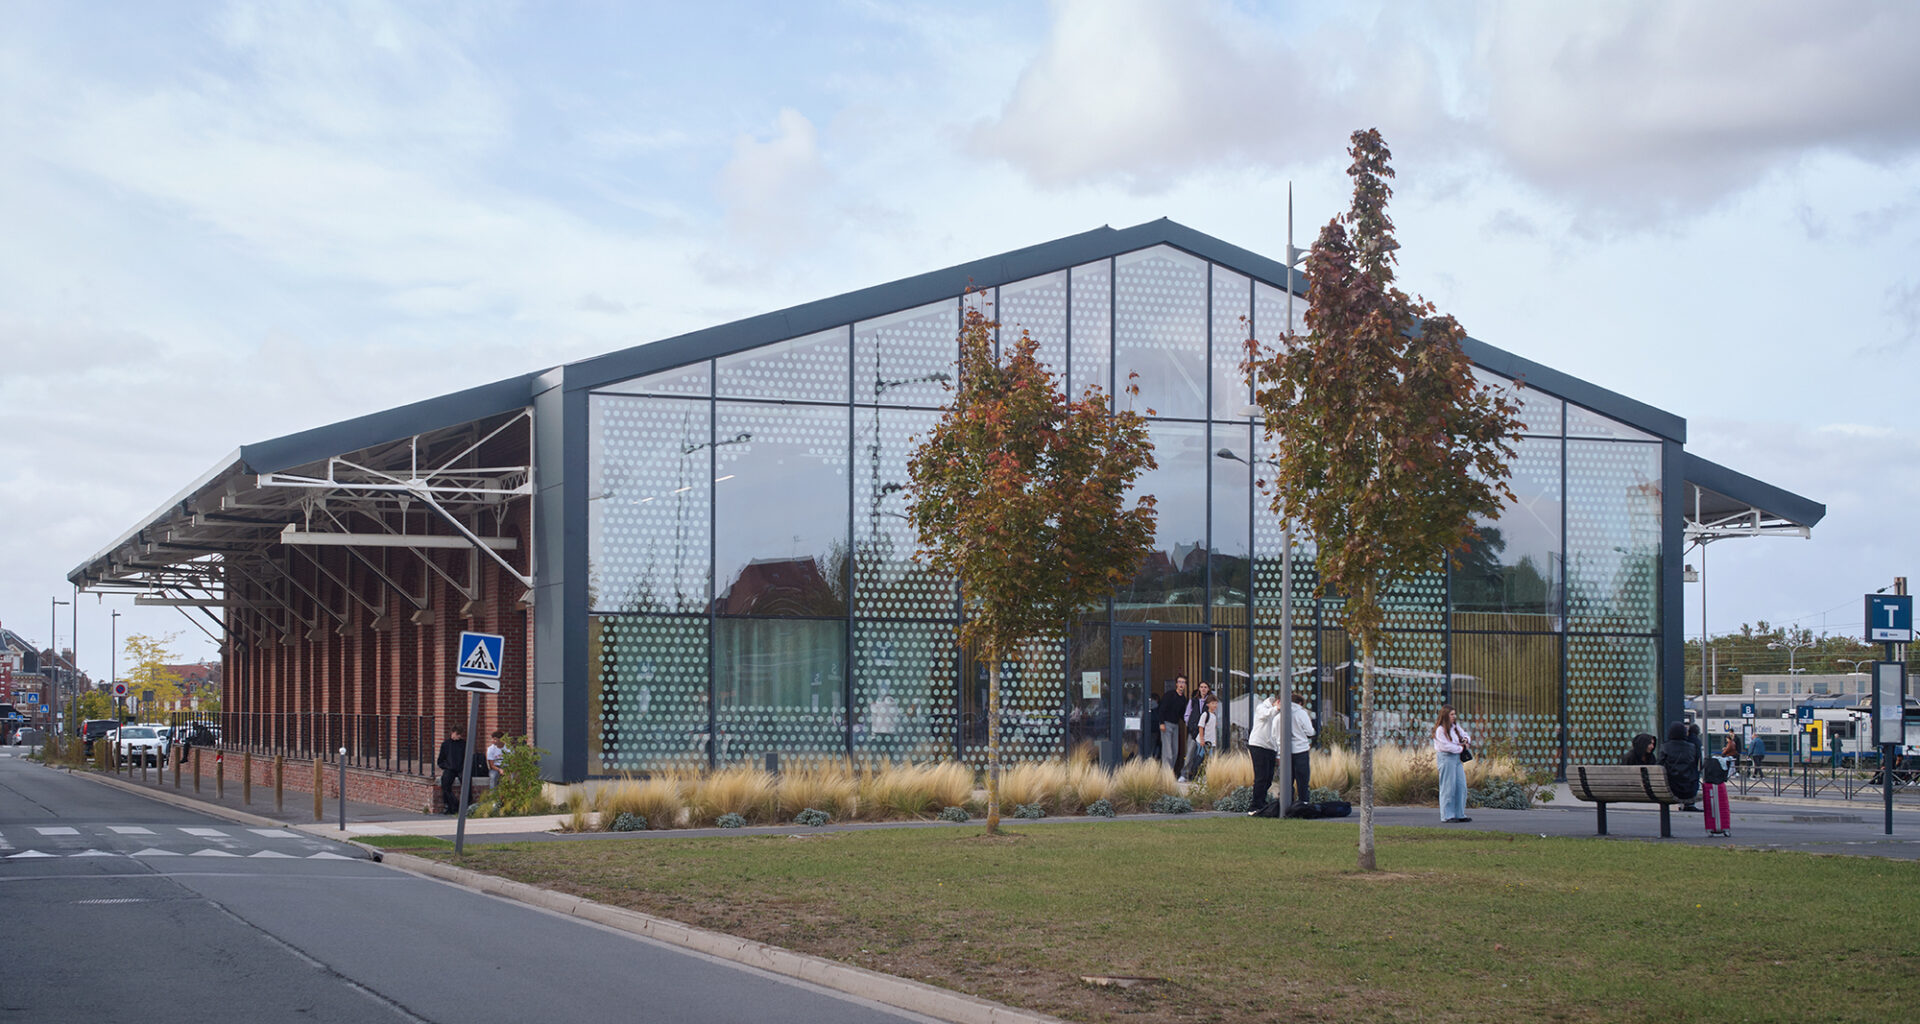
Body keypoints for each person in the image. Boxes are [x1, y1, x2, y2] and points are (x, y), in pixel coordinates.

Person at [1433, 704, 1473, 823]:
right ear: (1445, 715)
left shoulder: (1455, 727)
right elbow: (1446, 746)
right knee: (1448, 787)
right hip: (1446, 758)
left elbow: (1465, 735)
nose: (1454, 716)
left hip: (1456, 759)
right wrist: (1461, 748)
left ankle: (1459, 813)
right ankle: (1447, 815)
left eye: (1454, 714)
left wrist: (1466, 740)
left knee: (1461, 786)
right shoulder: (1440, 730)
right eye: (1451, 714)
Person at [1246, 694, 1284, 816]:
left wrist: (1278, 753)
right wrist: (1277, 709)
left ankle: (1262, 802)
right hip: (1258, 745)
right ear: (1278, 702)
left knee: (1268, 778)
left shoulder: (1277, 713)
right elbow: (1266, 714)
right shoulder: (1262, 707)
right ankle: (1255, 806)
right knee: (1261, 777)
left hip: (1271, 747)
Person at [435, 726, 485, 815]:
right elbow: (440, 761)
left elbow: (468, 757)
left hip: (461, 768)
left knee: (466, 782)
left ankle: (466, 804)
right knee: (445, 783)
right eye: (457, 734)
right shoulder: (445, 744)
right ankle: (451, 804)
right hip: (450, 768)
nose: (458, 737)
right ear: (452, 733)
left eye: (460, 735)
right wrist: (447, 766)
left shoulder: (464, 744)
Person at [1658, 721, 1702, 814]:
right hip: (1689, 789)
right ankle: (1689, 804)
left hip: (1671, 787)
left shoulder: (1665, 747)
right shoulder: (1691, 747)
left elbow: (1659, 765)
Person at [1702, 734, 1736, 836]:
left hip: (1708, 785)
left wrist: (1724, 751)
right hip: (1719, 784)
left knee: (1709, 807)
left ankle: (1710, 827)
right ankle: (1724, 827)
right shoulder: (1732, 743)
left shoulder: (1730, 743)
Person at [1155, 676, 1190, 776]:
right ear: (1176, 684)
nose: (1181, 684)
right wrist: (1161, 723)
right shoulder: (1169, 695)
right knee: (1168, 752)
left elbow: (1182, 714)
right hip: (1166, 724)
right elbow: (1161, 709)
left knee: (1175, 751)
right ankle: (1166, 775)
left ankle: (1169, 772)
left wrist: (1189, 722)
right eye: (1179, 682)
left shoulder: (1183, 698)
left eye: (1183, 682)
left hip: (1175, 726)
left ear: (1185, 685)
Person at [1288, 692, 1316, 806]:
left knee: (1288, 780)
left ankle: (1287, 804)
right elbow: (1310, 731)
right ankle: (1303, 803)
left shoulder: (1281, 712)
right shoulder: (1301, 713)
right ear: (1300, 703)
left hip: (1285, 751)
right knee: (1302, 780)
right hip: (1300, 750)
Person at [1183, 696, 1219, 782]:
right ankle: (1195, 775)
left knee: (1208, 759)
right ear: (1208, 704)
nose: (1215, 705)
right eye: (1213, 703)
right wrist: (1202, 739)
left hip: (1210, 742)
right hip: (1203, 741)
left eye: (1216, 703)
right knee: (1200, 758)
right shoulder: (1205, 714)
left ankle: (1204, 776)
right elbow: (1201, 727)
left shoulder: (1214, 715)